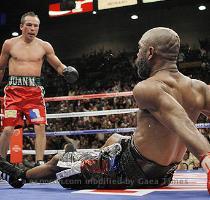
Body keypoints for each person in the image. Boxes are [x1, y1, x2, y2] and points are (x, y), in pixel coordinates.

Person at [1, 27, 210, 193]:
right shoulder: (199, 88)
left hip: (128, 171)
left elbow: (179, 119)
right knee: (115, 138)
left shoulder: (148, 87)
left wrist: (205, 155)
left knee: (59, 161)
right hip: (163, 174)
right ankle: (95, 154)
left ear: (150, 53)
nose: (136, 54)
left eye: (139, 49)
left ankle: (21, 176)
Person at [0, 12, 78, 166]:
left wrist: (66, 71)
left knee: (40, 126)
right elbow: (1, 67)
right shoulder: (9, 44)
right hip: (13, 94)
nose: (32, 28)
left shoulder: (44, 46)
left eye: (35, 25)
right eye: (29, 25)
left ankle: (39, 163)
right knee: (8, 129)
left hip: (34, 94)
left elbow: (57, 65)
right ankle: (1, 164)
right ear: (21, 26)